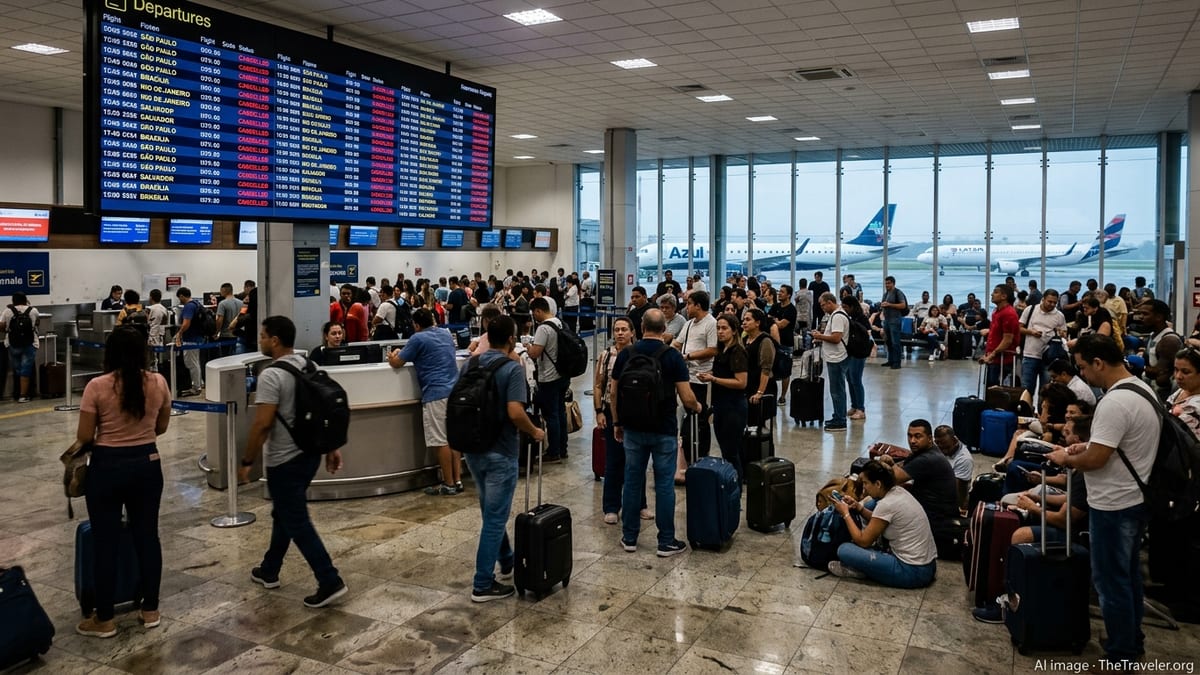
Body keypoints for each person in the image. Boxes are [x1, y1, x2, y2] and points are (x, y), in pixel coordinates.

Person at [1046, 333, 1159, 667]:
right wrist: (1087, 448)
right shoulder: (1141, 390)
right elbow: (1111, 449)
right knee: (1127, 576)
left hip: (1114, 503)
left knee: (1110, 581)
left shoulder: (1114, 402)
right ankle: (1130, 640)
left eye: (1082, 367)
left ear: (1098, 362)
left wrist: (1068, 458)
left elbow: (1096, 460)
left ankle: (1121, 656)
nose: (1082, 375)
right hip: (1134, 497)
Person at [238, 316, 347, 609]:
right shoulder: (308, 365)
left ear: (274, 340)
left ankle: (329, 579)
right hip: (309, 453)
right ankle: (270, 569)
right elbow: (323, 409)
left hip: (284, 459)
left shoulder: (271, 376)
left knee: (295, 519)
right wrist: (331, 447)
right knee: (284, 513)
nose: (259, 340)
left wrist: (247, 460)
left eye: (262, 336)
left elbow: (262, 424)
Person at [72, 326, 172, 638]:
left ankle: (104, 619)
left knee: (106, 542)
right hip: (147, 464)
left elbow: (85, 437)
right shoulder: (158, 382)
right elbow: (162, 426)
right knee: (147, 537)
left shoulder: (96, 386)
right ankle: (151, 609)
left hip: (107, 467)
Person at [458, 316, 546, 602]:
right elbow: (515, 412)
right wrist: (535, 431)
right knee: (495, 519)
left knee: (490, 512)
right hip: (500, 452)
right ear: (511, 339)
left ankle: (507, 558)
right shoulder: (511, 368)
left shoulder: (471, 363)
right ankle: (482, 583)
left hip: (473, 449)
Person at [611, 309, 702, 557]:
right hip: (663, 429)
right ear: (665, 330)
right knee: (663, 485)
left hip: (632, 428)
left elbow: (614, 392)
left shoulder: (626, 353)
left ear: (641, 327)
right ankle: (666, 541)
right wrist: (697, 406)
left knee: (632, 483)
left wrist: (617, 423)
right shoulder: (672, 356)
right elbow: (686, 396)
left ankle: (629, 537)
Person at [828, 459, 938, 588]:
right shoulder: (898, 491)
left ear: (878, 484)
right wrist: (859, 508)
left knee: (844, 550)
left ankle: (864, 570)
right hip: (929, 565)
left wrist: (845, 513)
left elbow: (863, 541)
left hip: (912, 572)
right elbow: (879, 519)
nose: (864, 488)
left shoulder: (887, 505)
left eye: (866, 483)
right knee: (870, 505)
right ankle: (875, 564)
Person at [387, 308, 462, 494]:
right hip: (454, 391)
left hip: (435, 394)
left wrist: (391, 356)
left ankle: (448, 484)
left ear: (417, 325)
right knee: (453, 438)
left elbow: (397, 363)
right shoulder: (445, 334)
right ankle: (458, 480)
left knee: (440, 440)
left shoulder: (417, 338)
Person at [594, 316, 649, 524]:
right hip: (611, 411)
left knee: (638, 460)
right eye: (616, 329)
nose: (620, 333)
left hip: (636, 412)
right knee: (613, 460)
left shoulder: (641, 354)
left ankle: (640, 504)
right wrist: (599, 411)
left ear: (632, 332)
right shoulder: (606, 355)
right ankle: (611, 506)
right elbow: (599, 385)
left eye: (624, 329)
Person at [892, 419, 961, 551]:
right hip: (932, 511)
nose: (912, 441)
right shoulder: (926, 452)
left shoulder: (928, 459)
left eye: (918, 436)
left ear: (930, 438)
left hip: (934, 519)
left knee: (883, 499)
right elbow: (903, 466)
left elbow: (893, 478)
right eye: (909, 436)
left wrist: (888, 463)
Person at [698, 314, 749, 481]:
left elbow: (741, 382)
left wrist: (714, 379)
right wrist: (710, 374)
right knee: (725, 450)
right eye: (718, 328)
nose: (720, 332)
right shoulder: (722, 350)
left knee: (731, 452)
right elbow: (723, 372)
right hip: (721, 405)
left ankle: (736, 486)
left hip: (733, 407)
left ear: (734, 331)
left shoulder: (738, 352)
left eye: (724, 328)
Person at [673, 290, 717, 461]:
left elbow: (712, 350)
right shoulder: (689, 323)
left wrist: (688, 356)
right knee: (686, 416)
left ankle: (702, 454)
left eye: (689, 303)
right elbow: (677, 343)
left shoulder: (711, 323)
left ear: (698, 305)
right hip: (685, 377)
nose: (687, 307)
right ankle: (687, 453)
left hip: (701, 378)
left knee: (700, 417)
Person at [527, 297, 569, 462]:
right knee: (560, 412)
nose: (534, 316)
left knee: (551, 415)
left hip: (549, 376)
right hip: (563, 374)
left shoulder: (543, 328)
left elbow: (535, 353)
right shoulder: (560, 323)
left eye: (534, 313)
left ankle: (553, 451)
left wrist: (528, 348)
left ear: (538, 311)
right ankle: (562, 448)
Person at [1017, 288, 1066, 398]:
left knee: (1046, 389)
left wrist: (1060, 334)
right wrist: (1031, 332)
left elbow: (1064, 333)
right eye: (1049, 301)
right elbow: (1019, 328)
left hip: (1049, 357)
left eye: (1055, 302)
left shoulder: (1059, 316)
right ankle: (1026, 410)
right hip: (1030, 355)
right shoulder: (1030, 310)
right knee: (1026, 388)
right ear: (1043, 299)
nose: (1052, 304)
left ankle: (1042, 411)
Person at [812, 293, 848, 432]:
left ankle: (840, 420)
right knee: (837, 389)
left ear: (829, 302)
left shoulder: (838, 316)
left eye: (822, 305)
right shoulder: (836, 315)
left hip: (837, 357)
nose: (822, 308)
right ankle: (837, 415)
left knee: (837, 390)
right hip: (834, 357)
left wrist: (820, 336)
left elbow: (836, 338)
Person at [1139, 300, 1183, 402]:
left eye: (1145, 314)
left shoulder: (1169, 341)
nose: (1141, 317)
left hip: (1164, 397)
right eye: (1140, 313)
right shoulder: (1153, 335)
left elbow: (1160, 374)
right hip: (1153, 391)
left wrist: (1133, 364)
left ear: (1159, 317)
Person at [741, 308, 777, 429]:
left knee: (758, 424)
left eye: (748, 319)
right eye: (743, 320)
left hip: (762, 386)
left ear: (758, 323)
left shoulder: (765, 340)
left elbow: (766, 369)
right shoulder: (745, 339)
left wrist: (759, 392)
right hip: (748, 385)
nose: (744, 322)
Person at [982, 284, 1019, 386]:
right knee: (989, 388)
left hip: (1002, 359)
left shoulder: (1008, 313)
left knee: (996, 390)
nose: (992, 294)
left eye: (995, 292)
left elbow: (1008, 339)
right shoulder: (996, 312)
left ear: (1004, 296)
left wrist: (993, 354)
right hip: (993, 357)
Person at [173, 287, 207, 397]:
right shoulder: (196, 304)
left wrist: (179, 333)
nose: (179, 300)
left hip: (191, 339)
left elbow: (186, 323)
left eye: (179, 297)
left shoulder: (189, 306)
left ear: (182, 296)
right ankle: (199, 383)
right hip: (197, 338)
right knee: (195, 362)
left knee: (191, 363)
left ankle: (196, 387)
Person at [840, 295, 869, 421]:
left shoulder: (861, 318)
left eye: (846, 307)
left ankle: (861, 408)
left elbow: (867, 333)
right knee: (850, 379)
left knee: (856, 379)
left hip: (859, 352)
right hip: (849, 352)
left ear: (852, 307)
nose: (844, 309)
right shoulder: (847, 317)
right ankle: (854, 405)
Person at [933, 425, 972, 515]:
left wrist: (960, 508)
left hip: (950, 498)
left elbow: (958, 490)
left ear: (955, 440)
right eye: (941, 448)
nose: (944, 452)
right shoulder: (936, 446)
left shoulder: (964, 459)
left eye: (947, 447)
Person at [770, 284, 797, 404]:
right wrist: (775, 320)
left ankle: (783, 396)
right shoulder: (775, 306)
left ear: (788, 295)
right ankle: (772, 394)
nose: (779, 293)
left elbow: (781, 325)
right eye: (779, 292)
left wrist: (774, 320)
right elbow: (768, 318)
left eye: (782, 292)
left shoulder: (791, 309)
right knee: (772, 370)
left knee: (785, 372)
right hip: (773, 343)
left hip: (786, 344)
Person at [879, 276, 908, 369]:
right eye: (886, 283)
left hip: (895, 320)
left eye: (888, 283)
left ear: (893, 283)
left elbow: (903, 305)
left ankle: (897, 362)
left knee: (895, 342)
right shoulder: (885, 294)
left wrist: (890, 305)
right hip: (887, 320)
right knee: (889, 342)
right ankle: (890, 360)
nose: (887, 285)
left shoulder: (898, 293)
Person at [144, 289, 170, 371]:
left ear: (151, 297)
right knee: (155, 360)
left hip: (151, 336)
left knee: (149, 359)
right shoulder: (164, 309)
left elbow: (147, 322)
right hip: (160, 335)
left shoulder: (149, 309)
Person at [214, 282, 244, 351]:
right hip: (239, 334)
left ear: (224, 290)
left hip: (226, 335)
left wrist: (217, 332)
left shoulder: (222, 304)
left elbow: (220, 320)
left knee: (225, 358)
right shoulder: (241, 303)